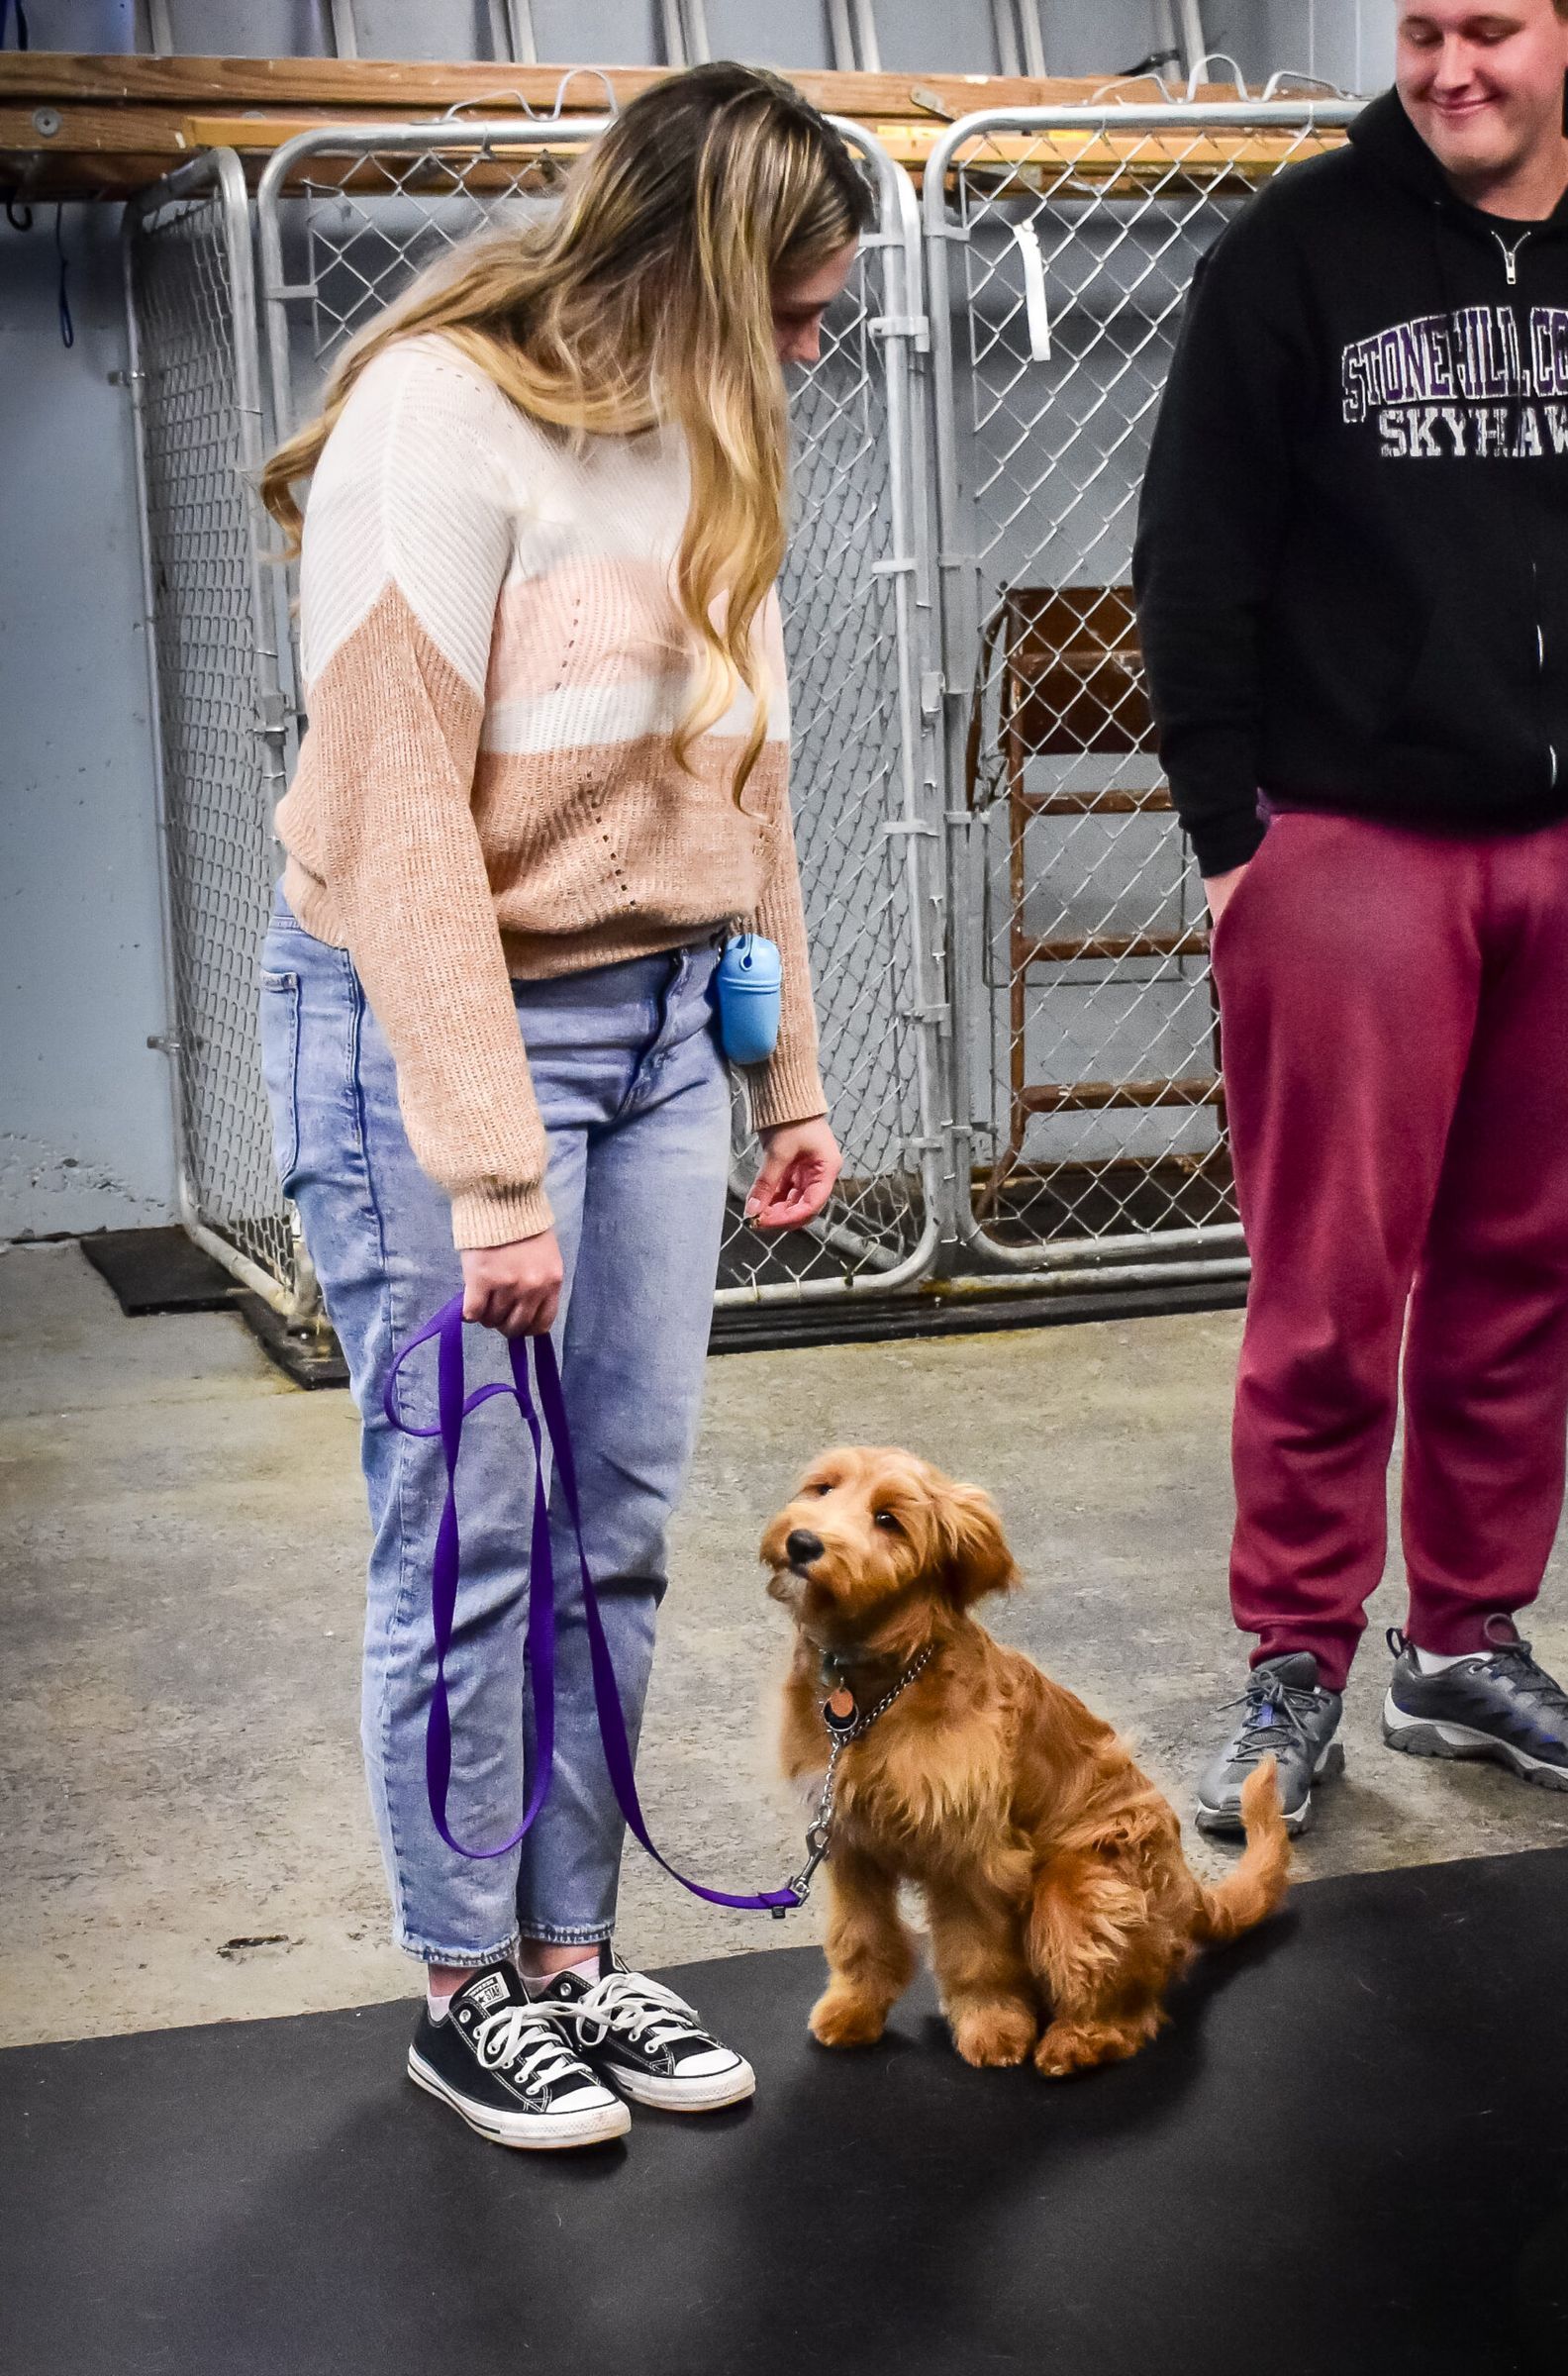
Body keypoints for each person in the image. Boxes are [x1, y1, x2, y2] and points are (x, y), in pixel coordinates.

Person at [256, 64, 871, 2147]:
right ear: (698, 273)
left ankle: (572, 1959)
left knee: (613, 1526)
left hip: (660, 1031)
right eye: (797, 306)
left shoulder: (725, 437)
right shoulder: (439, 416)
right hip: (436, 1032)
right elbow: (397, 822)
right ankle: (461, 1982)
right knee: (471, 1538)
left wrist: (780, 1066)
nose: (816, 345)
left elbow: (747, 774)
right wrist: (489, 1170)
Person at [1133, 0, 1568, 1839]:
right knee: (1334, 1289)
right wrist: (1228, 834)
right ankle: (1294, 1657)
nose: (1450, 71)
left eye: (1491, 29)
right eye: (1421, 30)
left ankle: (1468, 1641)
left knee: (1523, 1277)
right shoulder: (1293, 254)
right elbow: (1192, 552)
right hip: (1349, 843)